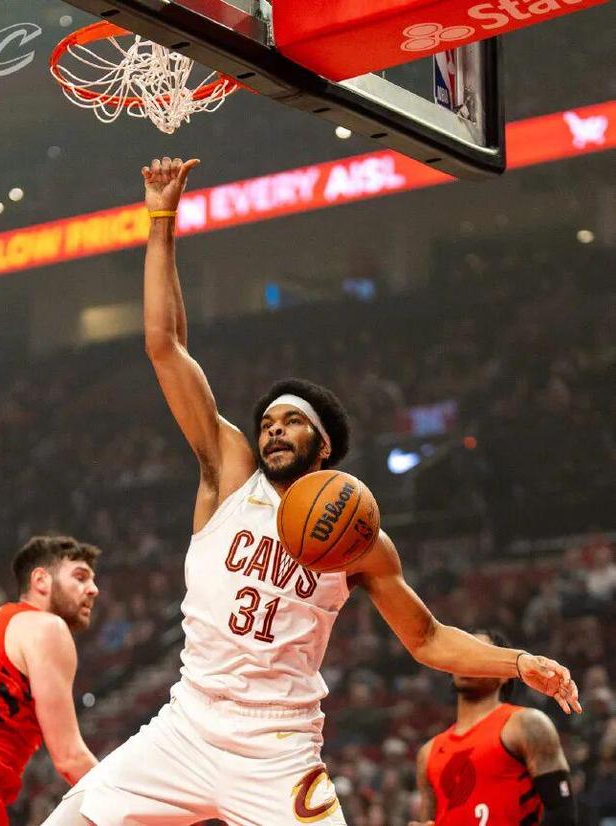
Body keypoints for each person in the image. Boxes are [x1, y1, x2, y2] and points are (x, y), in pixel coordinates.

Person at [43, 157, 581, 826]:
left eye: (292, 421)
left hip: (279, 745)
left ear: (323, 445)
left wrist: (519, 662)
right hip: (187, 725)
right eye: (268, 421)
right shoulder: (229, 473)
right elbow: (164, 346)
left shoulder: (360, 536)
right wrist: (161, 218)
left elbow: (427, 638)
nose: (273, 429)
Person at [0, 535, 100, 825]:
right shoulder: (45, 627)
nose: (93, 589)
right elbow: (70, 758)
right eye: (80, 577)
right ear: (41, 580)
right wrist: (139, 805)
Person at [410, 629, 577, 826]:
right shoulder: (428, 753)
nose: (467, 662)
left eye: (479, 655)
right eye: (462, 654)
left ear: (505, 673)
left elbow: (561, 814)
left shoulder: (526, 724)